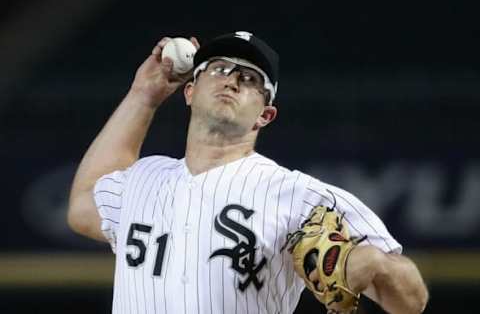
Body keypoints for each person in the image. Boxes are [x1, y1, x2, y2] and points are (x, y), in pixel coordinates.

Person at [67, 31, 428, 314]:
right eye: (219, 68)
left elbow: (412, 302)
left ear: (265, 115)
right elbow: (83, 205)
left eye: (250, 78)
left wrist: (379, 265)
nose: (232, 79)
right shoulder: (145, 178)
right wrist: (142, 96)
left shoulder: (300, 195)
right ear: (189, 92)